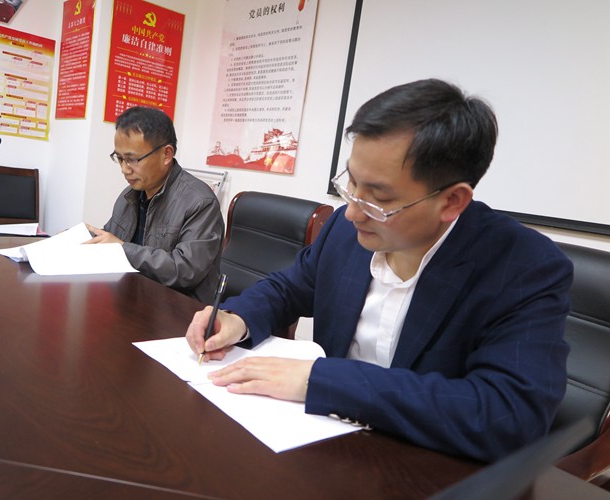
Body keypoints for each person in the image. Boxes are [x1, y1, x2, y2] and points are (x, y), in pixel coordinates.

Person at [185, 79, 573, 462]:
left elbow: (509, 415)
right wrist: (237, 318)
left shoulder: (525, 267)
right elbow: (290, 288)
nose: (352, 212)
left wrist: (318, 380)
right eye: (352, 183)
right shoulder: (346, 232)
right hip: (321, 447)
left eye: (379, 198)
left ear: (452, 201)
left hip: (424, 466)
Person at [84, 106, 224, 304]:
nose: (124, 169)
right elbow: (111, 237)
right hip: (134, 298)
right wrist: (77, 239)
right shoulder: (131, 194)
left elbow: (185, 270)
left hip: (178, 310)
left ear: (166, 154)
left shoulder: (200, 202)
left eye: (132, 159)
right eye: (120, 159)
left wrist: (121, 249)